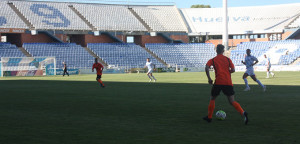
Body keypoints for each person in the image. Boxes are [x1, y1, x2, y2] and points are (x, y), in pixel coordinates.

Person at [203, 44, 248, 125]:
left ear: (216, 50)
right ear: (223, 51)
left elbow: (206, 67)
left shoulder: (213, 60)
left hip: (218, 82)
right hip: (228, 83)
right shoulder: (227, 59)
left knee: (213, 98)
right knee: (232, 101)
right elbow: (233, 70)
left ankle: (209, 117)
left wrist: (209, 78)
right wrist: (227, 72)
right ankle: (243, 112)